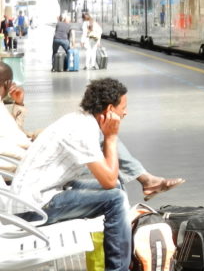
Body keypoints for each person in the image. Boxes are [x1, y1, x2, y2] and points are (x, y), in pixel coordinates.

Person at [10, 78, 183, 271]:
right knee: (115, 198)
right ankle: (118, 268)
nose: (125, 112)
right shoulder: (82, 130)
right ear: (109, 109)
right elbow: (107, 181)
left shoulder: (82, 120)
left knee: (117, 187)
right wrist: (111, 136)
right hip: (32, 209)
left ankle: (118, 255)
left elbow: (111, 178)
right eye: (123, 107)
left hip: (42, 194)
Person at [0, 63, 184, 195]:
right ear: (7, 84)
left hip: (29, 151)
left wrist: (19, 104)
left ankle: (145, 179)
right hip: (31, 162)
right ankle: (145, 179)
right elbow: (16, 142)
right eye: (10, 83)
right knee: (104, 149)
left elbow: (14, 133)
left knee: (98, 137)